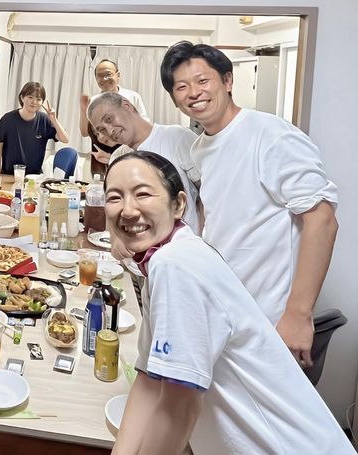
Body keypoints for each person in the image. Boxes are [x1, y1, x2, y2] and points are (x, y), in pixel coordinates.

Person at [104, 151, 352, 455]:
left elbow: (179, 405)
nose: (128, 210)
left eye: (142, 194)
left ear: (179, 204)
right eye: (114, 198)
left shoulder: (176, 264)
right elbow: (148, 380)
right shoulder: (167, 259)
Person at [159, 41, 338, 367]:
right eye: (181, 87)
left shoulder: (270, 134)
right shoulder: (200, 148)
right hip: (227, 308)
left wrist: (298, 313)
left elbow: (322, 220)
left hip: (270, 318)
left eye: (202, 81)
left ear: (228, 81)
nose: (194, 93)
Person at [87, 91, 200, 235]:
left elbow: (210, 196)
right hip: (138, 243)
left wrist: (203, 242)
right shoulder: (118, 157)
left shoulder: (177, 138)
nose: (109, 131)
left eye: (109, 119)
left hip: (183, 241)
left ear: (127, 106)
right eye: (101, 129)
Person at [0, 81, 72, 175]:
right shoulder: (8, 119)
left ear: (42, 102)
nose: (34, 102)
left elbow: (65, 139)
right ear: (22, 98)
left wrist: (54, 119)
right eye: (30, 97)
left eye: (38, 99)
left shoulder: (44, 120)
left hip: (34, 176)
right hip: (9, 174)